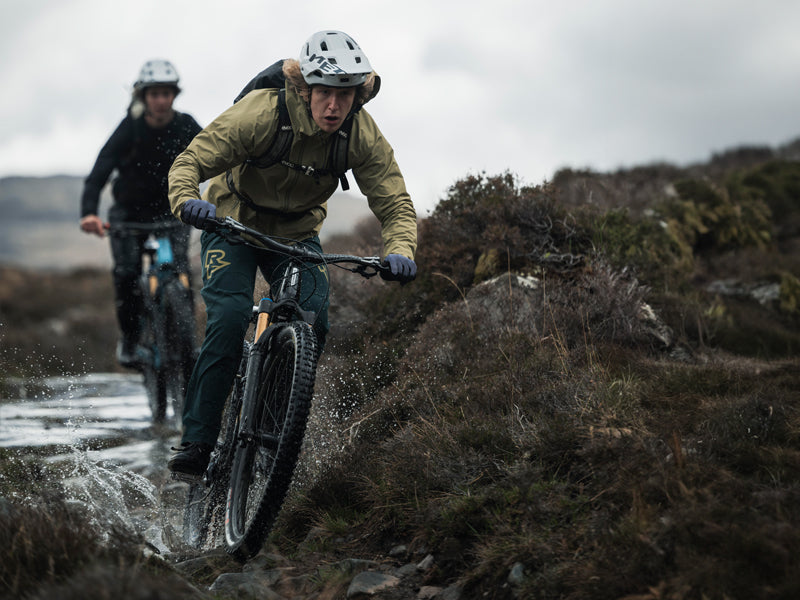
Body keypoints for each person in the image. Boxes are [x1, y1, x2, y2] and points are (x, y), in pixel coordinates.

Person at [167, 30, 417, 476]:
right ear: (305, 89)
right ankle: (198, 440)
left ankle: (271, 428)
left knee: (313, 322)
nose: (333, 106)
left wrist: (400, 250)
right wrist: (187, 198)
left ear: (357, 96)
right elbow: (191, 160)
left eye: (344, 95)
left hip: (297, 235)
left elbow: (395, 202)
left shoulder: (359, 133)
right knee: (229, 318)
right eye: (324, 93)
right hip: (233, 224)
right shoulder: (263, 113)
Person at [80, 59, 202, 367]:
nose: (161, 100)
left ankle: (187, 341)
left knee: (181, 275)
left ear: (174, 95)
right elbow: (100, 171)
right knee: (126, 275)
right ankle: (130, 340)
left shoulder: (186, 125)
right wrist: (89, 212)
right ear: (143, 96)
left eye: (166, 93)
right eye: (154, 94)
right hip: (129, 216)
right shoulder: (130, 127)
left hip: (171, 213)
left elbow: (215, 154)